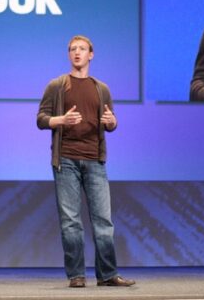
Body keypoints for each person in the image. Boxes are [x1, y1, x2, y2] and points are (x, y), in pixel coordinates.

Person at [37, 35, 135, 288]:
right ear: (69, 55)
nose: (77, 53)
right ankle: (76, 275)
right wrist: (60, 120)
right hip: (66, 160)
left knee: (103, 221)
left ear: (91, 54)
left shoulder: (101, 89)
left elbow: (110, 122)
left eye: (81, 49)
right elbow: (41, 119)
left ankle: (107, 274)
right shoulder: (57, 85)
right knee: (71, 222)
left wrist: (113, 123)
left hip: (95, 161)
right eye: (72, 49)